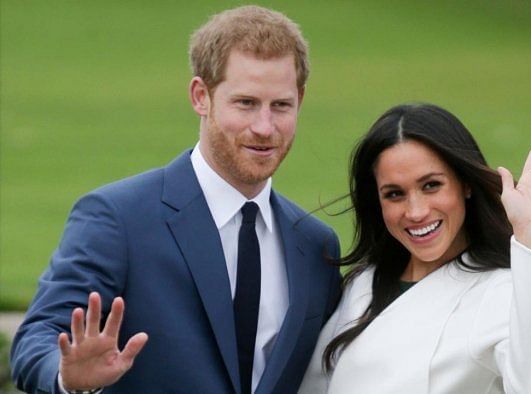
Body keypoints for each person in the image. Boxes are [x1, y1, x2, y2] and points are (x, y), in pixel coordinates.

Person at [11, 5, 341, 394]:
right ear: (201, 96)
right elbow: (41, 335)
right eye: (246, 103)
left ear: (299, 100)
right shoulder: (118, 218)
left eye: (280, 105)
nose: (265, 128)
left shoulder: (316, 245)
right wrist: (66, 378)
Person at [300, 103, 531, 393]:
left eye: (431, 185)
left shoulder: (501, 291)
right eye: (394, 194)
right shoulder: (363, 282)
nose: (416, 212)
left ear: (465, 184)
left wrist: (530, 237)